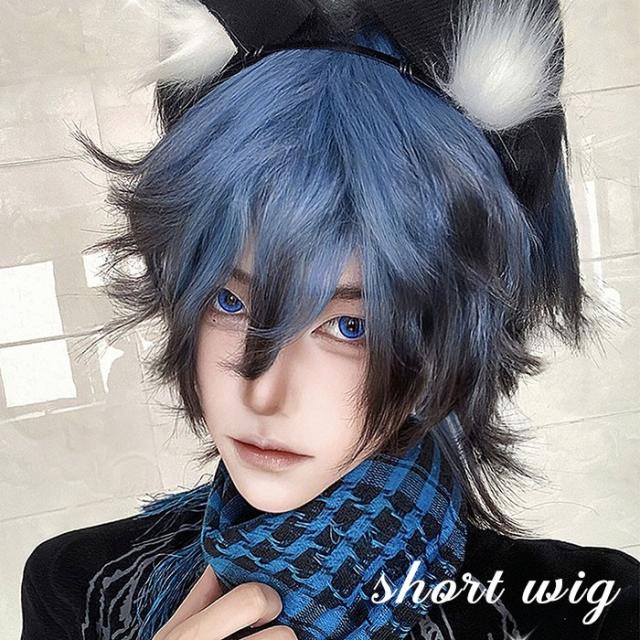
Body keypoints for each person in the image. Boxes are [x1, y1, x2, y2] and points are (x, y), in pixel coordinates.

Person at [20, 1, 639, 639]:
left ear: (450, 338)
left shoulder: (591, 614)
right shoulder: (74, 583)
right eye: (230, 301)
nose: (263, 392)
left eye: (351, 326)